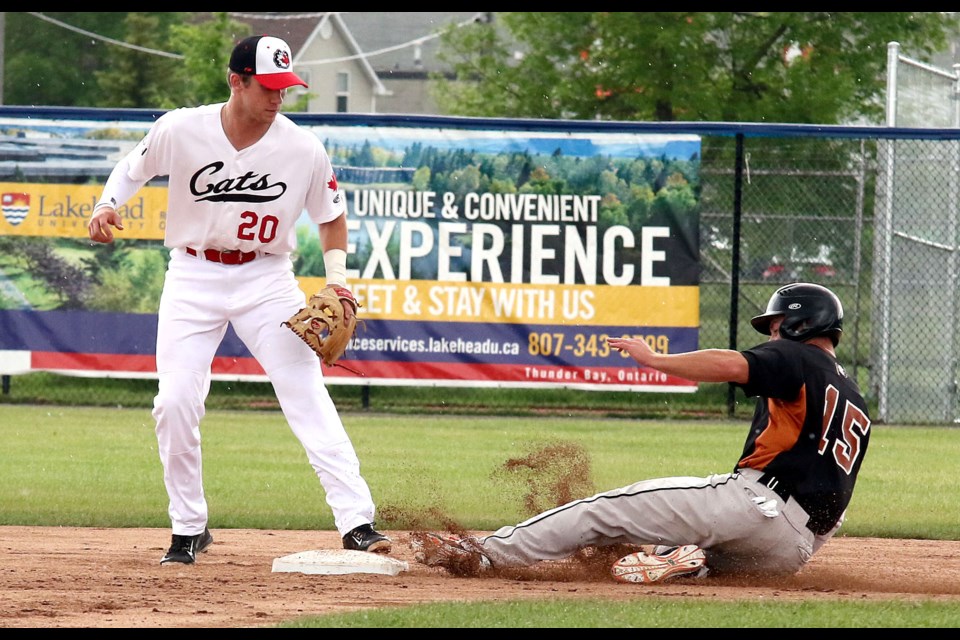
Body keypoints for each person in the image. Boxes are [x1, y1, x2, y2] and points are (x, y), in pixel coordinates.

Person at [87, 34, 390, 564]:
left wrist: (338, 279)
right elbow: (130, 171)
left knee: (305, 393)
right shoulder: (182, 128)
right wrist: (107, 204)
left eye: (285, 88)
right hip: (192, 275)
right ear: (236, 81)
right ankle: (188, 528)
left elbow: (331, 215)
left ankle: (357, 521)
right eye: (268, 88)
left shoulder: (301, 147)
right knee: (174, 403)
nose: (278, 98)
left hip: (267, 281)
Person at [412, 282, 872, 583]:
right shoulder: (854, 398)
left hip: (755, 507)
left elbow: (734, 363)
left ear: (797, 323)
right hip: (791, 550)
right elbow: (838, 498)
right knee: (694, 534)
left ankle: (486, 553)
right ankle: (688, 560)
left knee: (604, 510)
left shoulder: (797, 357)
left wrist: (656, 360)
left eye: (774, 325)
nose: (771, 334)